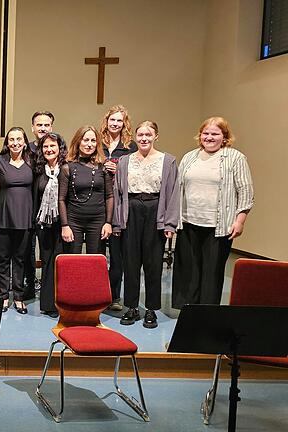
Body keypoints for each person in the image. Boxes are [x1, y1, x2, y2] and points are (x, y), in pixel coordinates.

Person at [172, 117, 254, 308]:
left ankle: (206, 315)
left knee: (212, 273)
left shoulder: (235, 158)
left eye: (215, 134)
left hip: (218, 226)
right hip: (188, 222)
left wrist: (240, 221)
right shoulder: (189, 157)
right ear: (200, 135)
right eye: (205, 133)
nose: (209, 137)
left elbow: (246, 192)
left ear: (224, 137)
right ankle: (188, 312)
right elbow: (177, 188)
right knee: (189, 272)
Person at [113, 121, 179, 328]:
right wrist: (117, 223)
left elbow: (173, 193)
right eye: (140, 134)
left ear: (155, 136)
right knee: (130, 262)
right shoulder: (125, 161)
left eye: (148, 135)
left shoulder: (167, 161)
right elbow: (117, 193)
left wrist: (170, 224)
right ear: (135, 136)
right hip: (130, 211)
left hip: (154, 210)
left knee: (153, 263)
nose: (143, 138)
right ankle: (131, 306)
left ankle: (151, 308)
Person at [0, 127, 34, 314]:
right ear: (7, 143)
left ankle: (19, 296)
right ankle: (3, 296)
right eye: (11, 139)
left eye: (19, 139)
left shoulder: (32, 161)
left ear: (24, 142)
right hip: (2, 215)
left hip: (24, 215)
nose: (15, 143)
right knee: (3, 258)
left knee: (20, 258)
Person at [99, 105, 138, 311]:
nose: (115, 124)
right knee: (97, 254)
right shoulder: (97, 143)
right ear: (106, 121)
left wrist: (119, 169)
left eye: (119, 121)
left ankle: (114, 296)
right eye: (112, 120)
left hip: (120, 204)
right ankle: (95, 293)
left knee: (117, 255)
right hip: (98, 202)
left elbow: (139, 173)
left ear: (125, 123)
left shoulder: (130, 146)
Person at [58, 126, 113, 254]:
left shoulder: (103, 167)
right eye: (85, 140)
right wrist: (65, 225)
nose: (89, 144)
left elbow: (109, 196)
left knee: (95, 263)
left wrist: (108, 223)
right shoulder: (67, 167)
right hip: (73, 221)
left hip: (98, 221)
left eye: (93, 141)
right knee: (72, 262)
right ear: (78, 142)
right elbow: (61, 199)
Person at [33, 132, 67, 318]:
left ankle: (62, 302)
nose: (49, 149)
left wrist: (67, 224)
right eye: (45, 146)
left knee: (60, 262)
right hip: (44, 224)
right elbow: (34, 197)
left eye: (52, 146)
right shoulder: (39, 171)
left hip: (63, 224)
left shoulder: (67, 169)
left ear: (59, 148)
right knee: (46, 261)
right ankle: (48, 304)